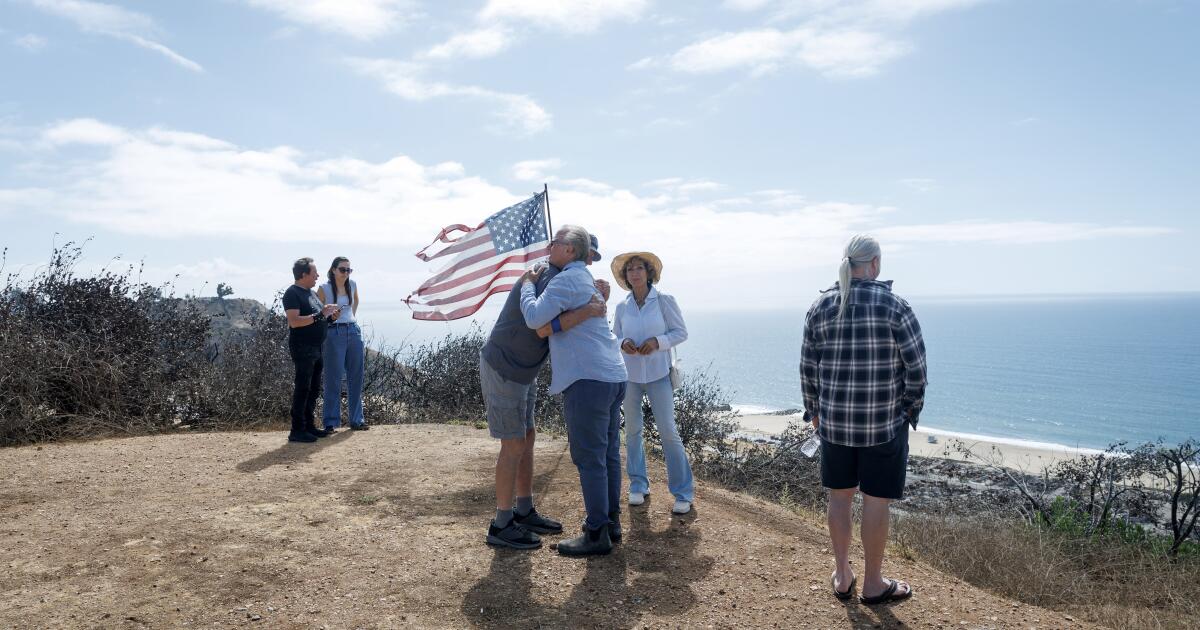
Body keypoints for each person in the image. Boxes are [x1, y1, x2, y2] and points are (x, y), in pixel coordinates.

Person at [800, 235, 927, 605]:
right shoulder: (895, 306)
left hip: (835, 425)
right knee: (876, 502)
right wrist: (909, 410)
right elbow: (916, 369)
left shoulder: (821, 305)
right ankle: (873, 583)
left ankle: (843, 576)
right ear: (874, 264)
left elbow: (808, 368)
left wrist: (815, 411)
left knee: (839, 499)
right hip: (884, 424)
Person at [480, 235, 608, 550]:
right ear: (575, 253)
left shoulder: (560, 277)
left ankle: (523, 510)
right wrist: (592, 304)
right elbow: (542, 326)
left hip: (524, 371)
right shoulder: (548, 276)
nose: (588, 264)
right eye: (587, 256)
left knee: (527, 438)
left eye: (590, 258)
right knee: (513, 445)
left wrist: (597, 296)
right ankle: (501, 524)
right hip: (505, 367)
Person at [519, 225, 628, 557]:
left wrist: (526, 286)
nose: (549, 247)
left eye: (554, 243)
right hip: (612, 375)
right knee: (607, 454)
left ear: (569, 250)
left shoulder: (567, 280)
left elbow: (533, 317)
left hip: (588, 380)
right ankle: (609, 523)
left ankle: (596, 533)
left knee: (589, 457)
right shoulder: (585, 282)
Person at [611, 251, 695, 515]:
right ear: (625, 277)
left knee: (669, 432)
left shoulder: (664, 301)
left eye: (639, 268)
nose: (634, 273)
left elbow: (680, 332)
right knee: (633, 431)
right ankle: (638, 484)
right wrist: (623, 343)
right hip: (630, 377)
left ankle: (683, 492)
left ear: (649, 273)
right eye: (630, 270)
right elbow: (614, 337)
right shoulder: (622, 307)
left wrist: (657, 342)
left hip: (659, 375)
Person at [282, 257, 341, 443]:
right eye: (314, 272)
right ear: (303, 274)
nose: (317, 275)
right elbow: (294, 321)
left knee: (314, 389)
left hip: (316, 348)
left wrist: (331, 318)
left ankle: (308, 426)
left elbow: (318, 318)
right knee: (303, 388)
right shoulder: (292, 294)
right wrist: (320, 315)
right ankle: (297, 430)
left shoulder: (311, 293)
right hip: (302, 348)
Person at [317, 257, 368, 432]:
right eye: (342, 269)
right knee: (333, 378)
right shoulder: (323, 289)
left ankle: (357, 420)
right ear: (333, 270)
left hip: (353, 331)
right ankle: (330, 422)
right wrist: (331, 320)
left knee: (356, 377)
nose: (346, 273)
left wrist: (349, 319)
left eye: (349, 270)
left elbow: (355, 302)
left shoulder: (352, 284)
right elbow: (317, 312)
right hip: (333, 333)